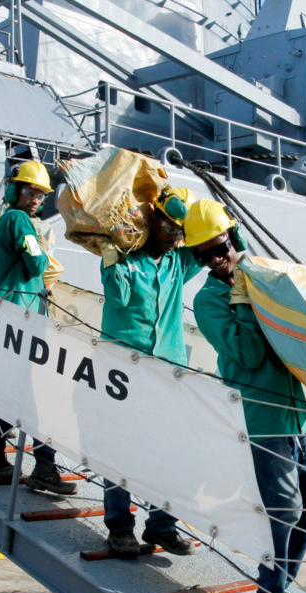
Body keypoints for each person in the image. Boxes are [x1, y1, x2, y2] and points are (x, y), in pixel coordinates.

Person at [188, 200, 306, 593]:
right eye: (205, 254)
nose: (217, 258)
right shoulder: (209, 301)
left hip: (297, 415)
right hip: (262, 419)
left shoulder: (259, 275)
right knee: (284, 512)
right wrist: (244, 299)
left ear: (234, 238)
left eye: (221, 247)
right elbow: (247, 353)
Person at [98, 186, 200, 557]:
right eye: (170, 227)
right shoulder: (126, 259)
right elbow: (118, 297)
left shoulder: (178, 263)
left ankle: (162, 526)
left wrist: (219, 222)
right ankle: (119, 528)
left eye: (181, 230)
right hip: (125, 372)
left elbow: (216, 242)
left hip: (168, 373)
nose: (177, 236)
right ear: (152, 221)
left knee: (171, 450)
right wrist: (112, 250)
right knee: (120, 449)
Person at [0, 160, 74, 496]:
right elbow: (35, 263)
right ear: (14, 191)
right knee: (38, 395)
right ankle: (44, 467)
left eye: (40, 195)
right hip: (21, 317)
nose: (35, 200)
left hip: (8, 315)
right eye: (30, 192)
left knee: (9, 391)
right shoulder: (19, 220)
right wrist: (44, 251)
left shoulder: (5, 219)